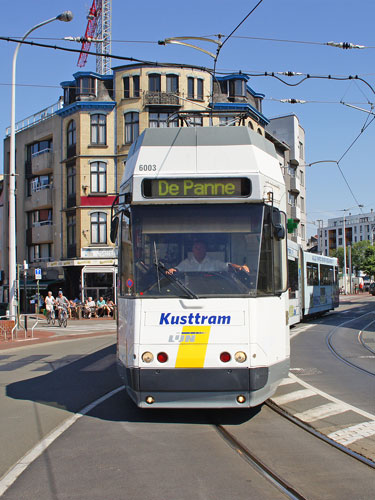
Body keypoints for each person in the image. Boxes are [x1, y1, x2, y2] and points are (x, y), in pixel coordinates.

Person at [168, 240, 250, 275]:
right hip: (189, 295)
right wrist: (172, 270)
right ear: (193, 250)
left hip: (211, 294)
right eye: (196, 248)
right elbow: (176, 269)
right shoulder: (186, 263)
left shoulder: (214, 263)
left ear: (205, 250)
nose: (199, 250)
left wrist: (240, 267)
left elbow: (227, 266)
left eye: (201, 248)